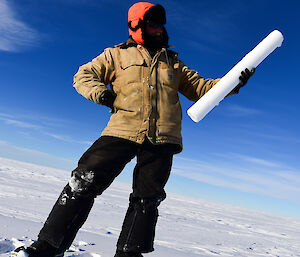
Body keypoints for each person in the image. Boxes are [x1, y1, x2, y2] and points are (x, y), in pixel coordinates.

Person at [10, 2, 254, 257]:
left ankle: (129, 253)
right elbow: (83, 76)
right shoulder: (116, 55)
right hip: (121, 130)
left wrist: (234, 81)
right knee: (82, 182)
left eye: (161, 24)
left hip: (163, 138)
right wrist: (103, 95)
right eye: (153, 23)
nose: (159, 29)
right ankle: (48, 247)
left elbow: (202, 89)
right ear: (136, 25)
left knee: (147, 199)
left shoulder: (173, 63)